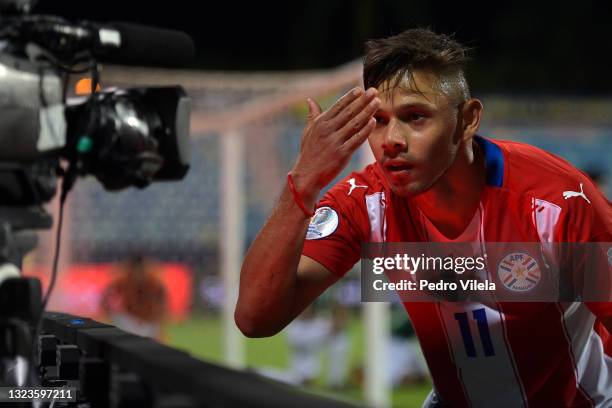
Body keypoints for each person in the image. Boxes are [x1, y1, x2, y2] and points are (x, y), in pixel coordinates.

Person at [235, 28, 611, 406]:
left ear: (467, 120)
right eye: (378, 121)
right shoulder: (364, 201)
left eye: (415, 116)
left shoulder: (556, 203)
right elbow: (255, 317)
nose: (391, 139)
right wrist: (303, 182)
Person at [100, 254, 168, 340]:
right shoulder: (123, 280)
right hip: (129, 321)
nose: (138, 273)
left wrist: (156, 319)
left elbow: (161, 302)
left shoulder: (153, 281)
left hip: (147, 321)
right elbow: (106, 298)